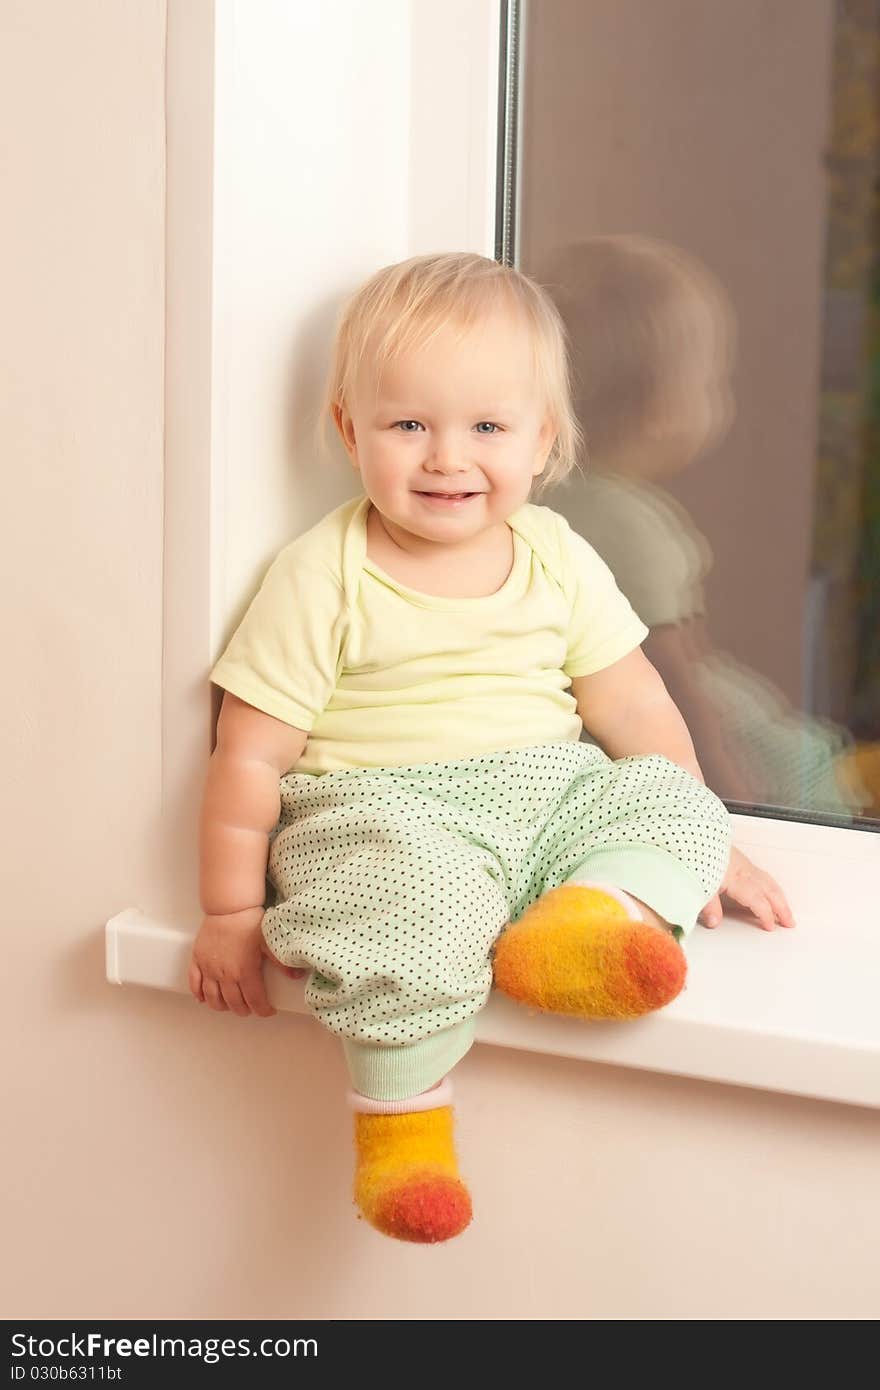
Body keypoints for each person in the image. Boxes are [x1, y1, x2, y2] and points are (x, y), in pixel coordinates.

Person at [189, 251, 795, 1247]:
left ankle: (586, 925)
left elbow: (635, 705)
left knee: (672, 798)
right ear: (352, 431)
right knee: (394, 919)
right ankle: (405, 1134)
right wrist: (228, 908)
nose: (445, 458)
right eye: (408, 425)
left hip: (547, 794)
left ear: (542, 439)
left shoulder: (557, 554)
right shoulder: (322, 575)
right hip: (389, 812)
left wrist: (703, 838)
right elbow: (249, 755)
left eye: (485, 427)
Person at [538, 233, 873, 818]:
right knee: (809, 770)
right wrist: (725, 793)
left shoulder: (547, 499)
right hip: (692, 740)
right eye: (713, 380)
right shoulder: (631, 527)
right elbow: (677, 674)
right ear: (662, 409)